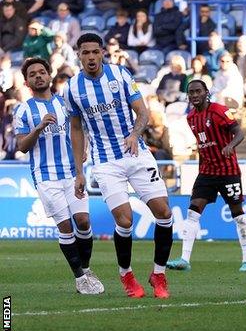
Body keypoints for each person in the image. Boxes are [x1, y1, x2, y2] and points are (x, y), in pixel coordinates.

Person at [65, 33, 173, 299]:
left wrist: (135, 134)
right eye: (85, 53)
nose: (90, 57)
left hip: (136, 154)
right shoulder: (72, 88)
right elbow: (76, 130)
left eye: (95, 52)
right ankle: (126, 274)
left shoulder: (120, 75)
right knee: (124, 219)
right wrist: (79, 171)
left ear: (102, 52)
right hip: (105, 162)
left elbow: (143, 112)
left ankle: (158, 274)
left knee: (164, 213)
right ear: (78, 55)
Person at [14, 57, 104, 294]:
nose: (38, 76)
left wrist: (81, 157)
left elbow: (79, 130)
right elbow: (22, 146)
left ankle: (85, 270)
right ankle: (79, 278)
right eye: (33, 74)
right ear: (27, 82)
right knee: (65, 227)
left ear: (50, 75)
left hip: (72, 172)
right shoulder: (23, 109)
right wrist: (39, 127)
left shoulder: (66, 103)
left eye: (42, 72)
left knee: (83, 222)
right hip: (45, 176)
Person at [166, 79, 246, 272]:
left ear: (206, 93)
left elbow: (239, 133)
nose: (194, 95)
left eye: (198, 91)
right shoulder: (190, 118)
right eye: (191, 93)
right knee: (193, 211)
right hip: (206, 171)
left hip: (228, 171)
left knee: (238, 214)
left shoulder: (220, 111)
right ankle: (184, 259)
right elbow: (202, 145)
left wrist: (230, 145)